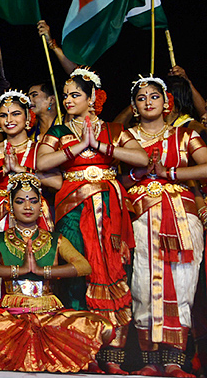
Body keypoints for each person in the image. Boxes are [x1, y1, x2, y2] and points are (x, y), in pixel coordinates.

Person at [34, 68, 148, 372]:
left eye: (75, 95)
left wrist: (100, 146)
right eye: (66, 95)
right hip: (73, 210)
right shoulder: (58, 132)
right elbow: (41, 163)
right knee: (75, 273)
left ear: (92, 99)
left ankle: (113, 356)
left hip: (111, 211)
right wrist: (79, 146)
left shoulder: (113, 130)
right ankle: (82, 354)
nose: (68, 100)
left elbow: (142, 160)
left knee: (116, 272)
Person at [0, 174, 113, 373]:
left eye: (33, 201)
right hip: (12, 315)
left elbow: (84, 266)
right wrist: (19, 271)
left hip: (49, 315)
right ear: (10, 206)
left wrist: (43, 271)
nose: (27, 206)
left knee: (104, 327)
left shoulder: (55, 239)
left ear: (41, 205)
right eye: (20, 201)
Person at [122, 76, 206, 377]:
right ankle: (149, 361)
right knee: (142, 285)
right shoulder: (124, 137)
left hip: (181, 217)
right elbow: (110, 179)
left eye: (154, 96)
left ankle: (174, 362)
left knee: (181, 285)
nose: (148, 101)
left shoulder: (184, 135)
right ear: (133, 106)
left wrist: (170, 172)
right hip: (140, 219)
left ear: (166, 101)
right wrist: (137, 175)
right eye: (141, 97)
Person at [0, 91, 58, 304]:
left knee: (40, 261)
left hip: (34, 211)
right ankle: (2, 315)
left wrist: (21, 169)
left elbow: (57, 183)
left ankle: (41, 311)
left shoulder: (40, 148)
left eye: (16, 114)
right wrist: (1, 172)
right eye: (4, 115)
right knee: (0, 266)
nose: (9, 120)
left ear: (28, 118)